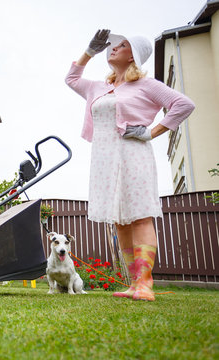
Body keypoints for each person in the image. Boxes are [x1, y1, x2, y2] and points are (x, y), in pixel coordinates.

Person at [65, 29, 195, 301]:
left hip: (133, 153)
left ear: (134, 56)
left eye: (121, 46)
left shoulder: (146, 85)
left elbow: (183, 104)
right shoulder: (99, 87)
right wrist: (89, 51)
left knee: (140, 215)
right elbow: (72, 78)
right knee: (120, 221)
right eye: (112, 46)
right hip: (104, 158)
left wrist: (152, 132)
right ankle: (134, 283)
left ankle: (145, 284)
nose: (113, 48)